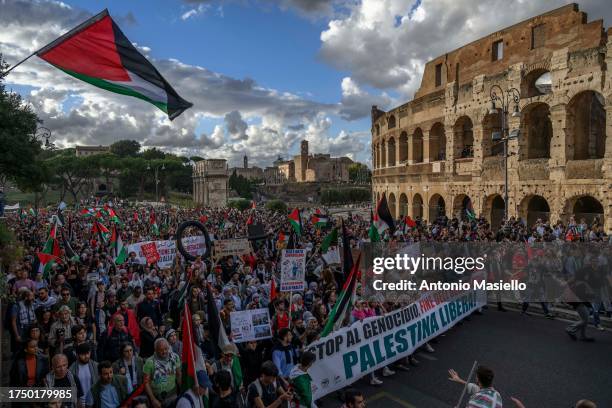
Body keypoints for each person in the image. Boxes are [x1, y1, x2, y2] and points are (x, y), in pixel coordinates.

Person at [143, 338, 182, 408]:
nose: (164, 352)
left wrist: (182, 390)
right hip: (157, 398)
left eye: (166, 349)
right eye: (161, 350)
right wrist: (153, 399)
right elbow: (146, 383)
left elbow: (179, 375)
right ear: (155, 350)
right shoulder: (149, 362)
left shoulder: (175, 357)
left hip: (172, 395)